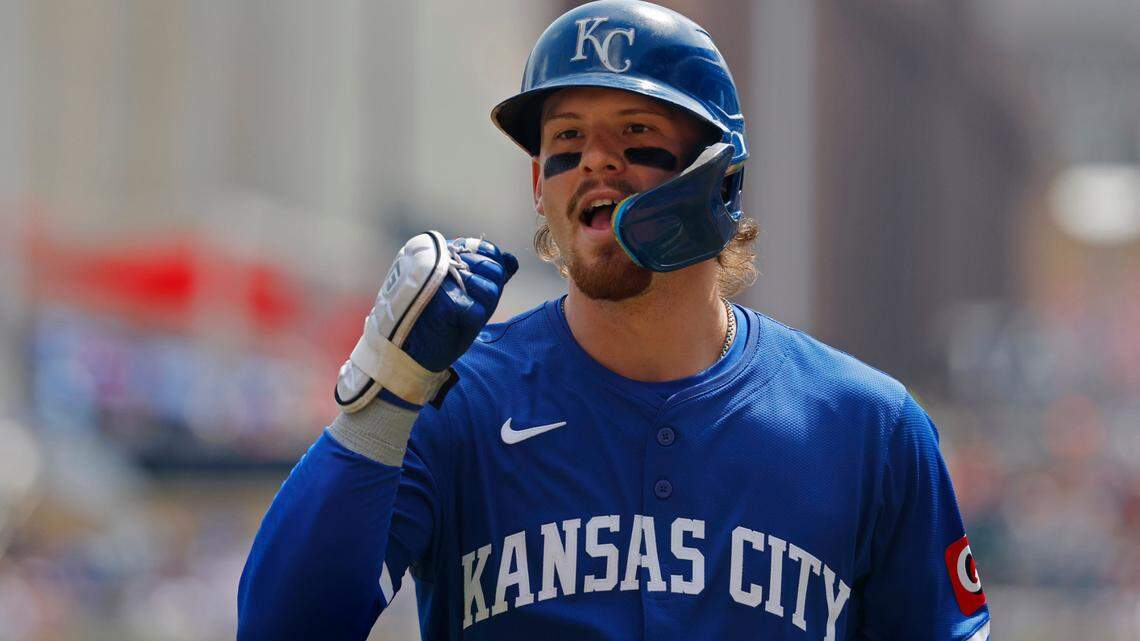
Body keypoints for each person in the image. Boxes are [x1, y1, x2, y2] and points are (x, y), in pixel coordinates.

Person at [237, 1, 991, 640]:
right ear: (539, 185)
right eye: (566, 142)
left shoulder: (867, 425)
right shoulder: (455, 402)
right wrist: (383, 392)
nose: (595, 163)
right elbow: (281, 627)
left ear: (719, 177)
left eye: (635, 136)